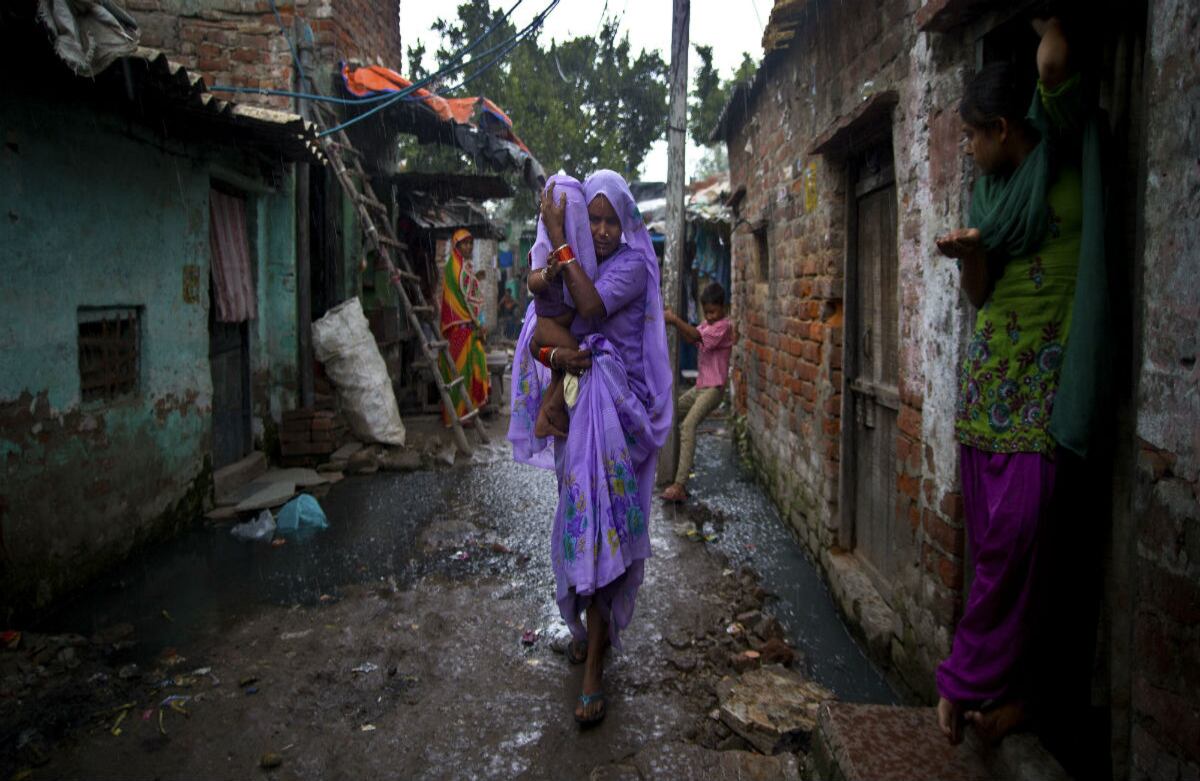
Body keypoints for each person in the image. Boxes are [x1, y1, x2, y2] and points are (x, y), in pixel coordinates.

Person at [934, 16, 1109, 746]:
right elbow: (979, 298)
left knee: (1026, 540)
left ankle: (972, 678)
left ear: (1006, 128)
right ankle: (992, 689)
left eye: (974, 137)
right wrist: (972, 254)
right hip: (988, 385)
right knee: (996, 543)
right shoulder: (990, 199)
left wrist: (1049, 23)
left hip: (1047, 377)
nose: (970, 152)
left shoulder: (1061, 142)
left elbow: (1059, 60)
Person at [507, 170, 672, 726]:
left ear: (625, 221)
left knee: (610, 527)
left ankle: (595, 663)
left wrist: (560, 240)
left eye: (609, 219)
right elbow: (540, 330)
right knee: (581, 518)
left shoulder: (630, 266)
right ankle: (584, 628)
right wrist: (560, 357)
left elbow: (591, 308)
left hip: (623, 415)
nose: (600, 230)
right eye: (591, 219)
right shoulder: (579, 261)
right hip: (582, 413)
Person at [660, 281, 735, 503]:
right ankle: (665, 466)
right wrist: (675, 323)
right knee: (671, 414)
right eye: (707, 312)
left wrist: (674, 319)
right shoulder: (707, 324)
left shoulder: (724, 327)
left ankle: (680, 484)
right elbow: (691, 336)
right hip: (700, 386)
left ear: (723, 308)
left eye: (714, 311)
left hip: (713, 389)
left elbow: (696, 335)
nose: (710, 316)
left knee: (688, 425)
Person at [438, 229, 489, 421]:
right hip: (463, 329)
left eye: (470, 243)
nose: (468, 246)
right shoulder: (459, 268)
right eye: (464, 243)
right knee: (464, 372)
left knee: (462, 371)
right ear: (456, 246)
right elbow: (469, 299)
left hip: (458, 329)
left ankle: (464, 413)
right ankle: (460, 415)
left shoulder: (454, 265)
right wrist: (479, 322)